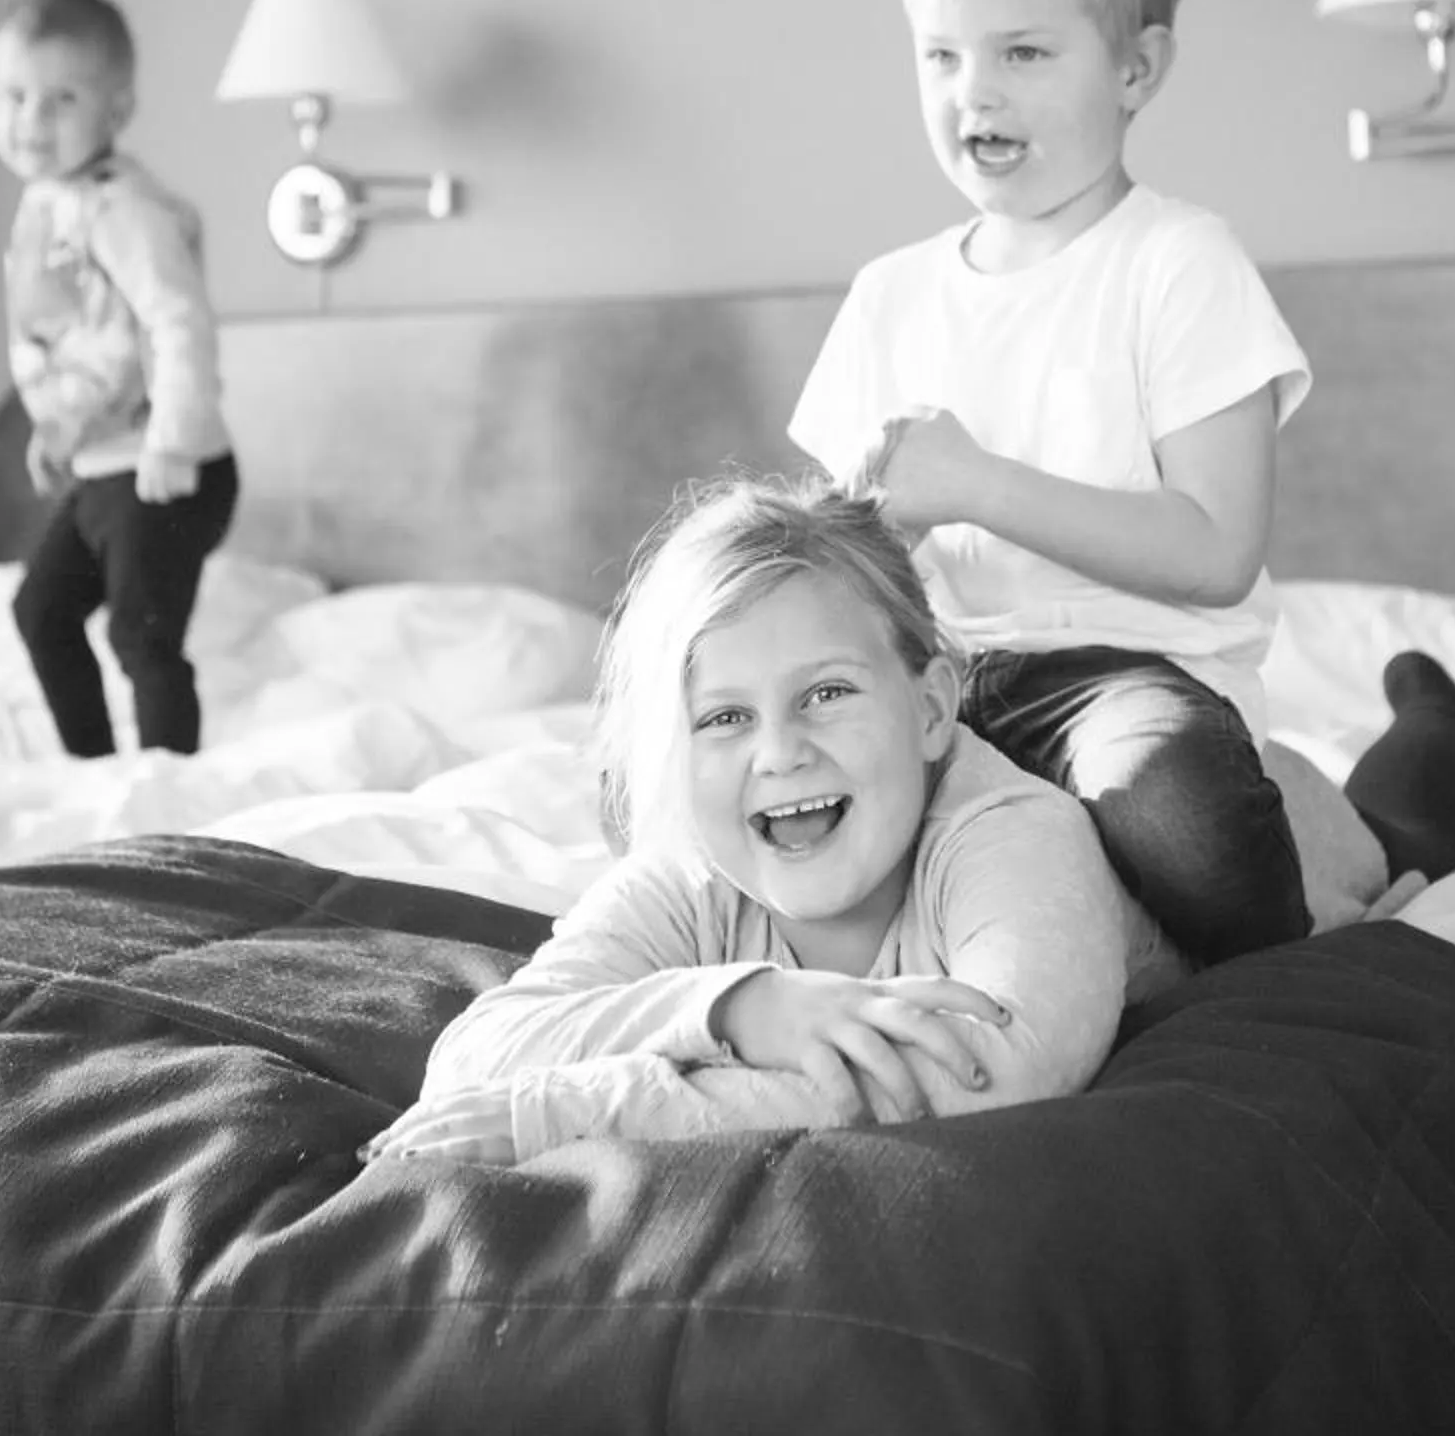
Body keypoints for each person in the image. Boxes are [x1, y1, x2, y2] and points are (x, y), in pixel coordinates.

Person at [787, 0, 1455, 966]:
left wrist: (977, 484)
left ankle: (1397, 790)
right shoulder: (890, 294)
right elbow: (840, 558)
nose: (975, 92)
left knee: (1193, 830)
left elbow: (1216, 550)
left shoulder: (1178, 262)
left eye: (1023, 51)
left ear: (1136, 68)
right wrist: (870, 541)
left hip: (1126, 679)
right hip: (942, 679)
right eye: (942, 55)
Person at [363, 475, 1181, 1165]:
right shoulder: (694, 873)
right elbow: (470, 1063)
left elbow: (996, 1072)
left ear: (932, 708)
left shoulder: (1015, 834)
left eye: (827, 693)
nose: (781, 753)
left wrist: (573, 1111)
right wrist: (737, 1009)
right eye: (724, 718)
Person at [0, 0, 240, 757]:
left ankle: (170, 795)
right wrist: (57, 431)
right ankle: (94, 771)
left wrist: (174, 438)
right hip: (102, 466)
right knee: (42, 611)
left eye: (61, 99)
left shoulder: (122, 208)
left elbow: (178, 320)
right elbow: (82, 340)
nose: (32, 120)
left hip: (166, 467)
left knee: (142, 633)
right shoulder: (47, 205)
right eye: (14, 96)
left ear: (116, 109)